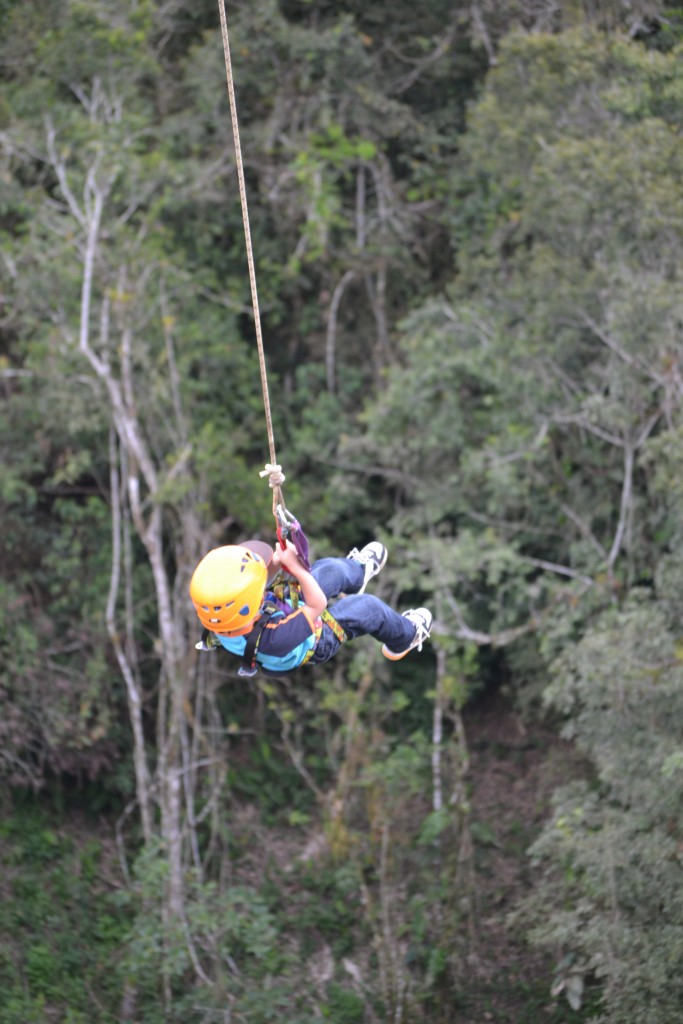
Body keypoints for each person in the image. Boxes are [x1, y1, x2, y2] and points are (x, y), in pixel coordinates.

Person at [189, 538, 432, 676]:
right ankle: (405, 636)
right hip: (314, 641)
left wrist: (277, 559)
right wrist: (294, 568)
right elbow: (317, 604)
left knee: (329, 570)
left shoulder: (223, 615)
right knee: (368, 608)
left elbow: (263, 579)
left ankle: (357, 573)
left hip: (280, 610)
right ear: (250, 604)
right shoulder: (275, 639)